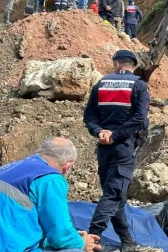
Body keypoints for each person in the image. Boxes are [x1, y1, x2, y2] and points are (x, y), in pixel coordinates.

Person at [83, 50, 150, 251]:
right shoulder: (139, 85)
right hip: (124, 146)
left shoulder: (101, 83)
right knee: (113, 194)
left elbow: (89, 116)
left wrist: (100, 132)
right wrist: (116, 134)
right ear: (133, 65)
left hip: (103, 147)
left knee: (114, 194)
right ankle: (93, 237)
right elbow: (139, 117)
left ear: (116, 64)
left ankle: (126, 239)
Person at [0, 137, 101, 252]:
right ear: (67, 166)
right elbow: (60, 235)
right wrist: (82, 243)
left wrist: (74, 236)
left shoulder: (9, 168)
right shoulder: (50, 179)